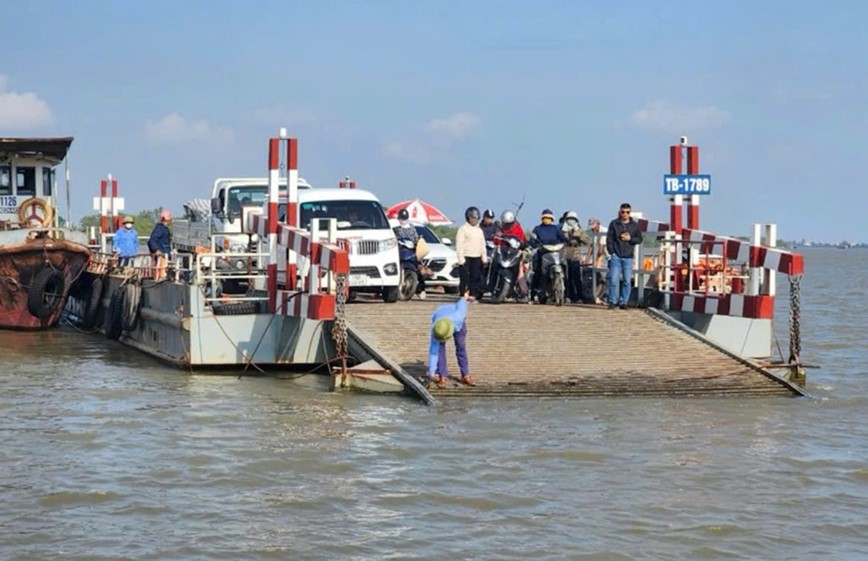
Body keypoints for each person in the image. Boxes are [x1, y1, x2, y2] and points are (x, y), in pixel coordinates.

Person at [427, 296, 476, 389]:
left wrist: (467, 298)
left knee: (461, 346)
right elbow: (433, 351)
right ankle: (442, 376)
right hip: (440, 318)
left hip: (459, 324)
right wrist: (431, 372)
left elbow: (462, 300)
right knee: (440, 349)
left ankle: (465, 375)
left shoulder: (459, 315)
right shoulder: (436, 329)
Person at [606, 203, 643, 309]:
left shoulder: (634, 225)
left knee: (627, 280)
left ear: (630, 212)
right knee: (613, 279)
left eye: (627, 212)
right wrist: (612, 252)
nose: (625, 214)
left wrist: (630, 239)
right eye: (623, 212)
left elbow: (639, 239)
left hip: (628, 256)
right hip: (616, 255)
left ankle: (624, 302)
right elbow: (609, 239)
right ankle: (613, 301)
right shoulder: (614, 224)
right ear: (620, 212)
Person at [528, 208, 567, 302]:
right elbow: (532, 240)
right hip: (543, 254)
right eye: (545, 217)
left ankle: (564, 293)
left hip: (555, 253)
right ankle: (533, 294)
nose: (547, 219)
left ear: (552, 219)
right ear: (542, 218)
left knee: (565, 268)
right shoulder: (537, 229)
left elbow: (563, 238)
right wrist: (535, 244)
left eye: (549, 218)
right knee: (538, 273)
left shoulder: (555, 228)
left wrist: (566, 241)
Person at [455, 206, 487, 300]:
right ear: (468, 218)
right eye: (473, 218)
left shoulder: (479, 230)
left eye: (477, 218)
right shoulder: (463, 229)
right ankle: (462, 294)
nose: (475, 220)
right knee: (464, 277)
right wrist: (461, 259)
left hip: (476, 256)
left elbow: (482, 245)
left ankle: (472, 295)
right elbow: (459, 244)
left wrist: (484, 258)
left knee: (475, 276)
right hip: (465, 256)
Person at [393, 208, 425, 299]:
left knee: (418, 269)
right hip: (399, 250)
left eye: (405, 218)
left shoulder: (411, 227)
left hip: (410, 251)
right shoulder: (395, 227)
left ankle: (421, 289)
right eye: (402, 219)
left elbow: (416, 237)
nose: (403, 221)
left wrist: (418, 242)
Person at [561, 211, 591, 303]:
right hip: (564, 253)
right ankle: (568, 295)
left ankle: (579, 296)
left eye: (573, 219)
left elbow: (587, 241)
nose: (571, 221)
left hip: (575, 253)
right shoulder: (562, 230)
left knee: (576, 275)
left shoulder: (579, 229)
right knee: (566, 276)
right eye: (569, 219)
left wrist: (579, 236)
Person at [148, 209, 173, 280]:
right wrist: (156, 250)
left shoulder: (165, 229)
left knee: (166, 271)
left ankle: (164, 277)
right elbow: (152, 240)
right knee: (162, 273)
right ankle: (160, 278)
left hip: (166, 254)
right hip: (162, 256)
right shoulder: (160, 229)